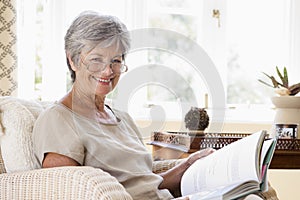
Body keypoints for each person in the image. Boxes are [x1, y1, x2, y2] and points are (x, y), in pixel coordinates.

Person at [32, 11, 215, 199]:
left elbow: (144, 184)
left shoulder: (123, 119)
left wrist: (188, 166)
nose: (108, 70)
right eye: (96, 59)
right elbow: (67, 192)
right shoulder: (57, 119)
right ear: (73, 60)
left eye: (116, 61)